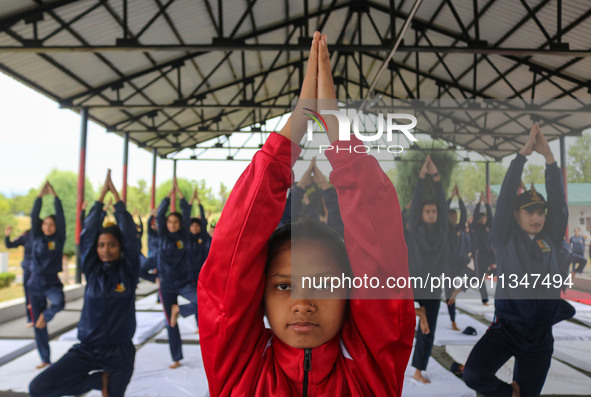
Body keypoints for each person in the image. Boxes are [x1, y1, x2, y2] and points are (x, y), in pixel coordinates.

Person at [198, 31, 414, 396]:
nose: (303, 303)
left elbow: (380, 250)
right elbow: (231, 257)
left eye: (328, 284)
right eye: (283, 286)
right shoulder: (239, 368)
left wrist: (334, 128)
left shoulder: (371, 370)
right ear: (259, 296)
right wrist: (298, 122)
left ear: (354, 294)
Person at [463, 123, 575, 397]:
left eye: (540, 212)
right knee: (475, 374)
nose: (536, 217)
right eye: (529, 212)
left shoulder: (549, 237)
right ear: (516, 215)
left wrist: (549, 158)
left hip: (539, 337)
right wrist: (521, 157)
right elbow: (502, 204)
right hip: (508, 329)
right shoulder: (504, 238)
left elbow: (559, 205)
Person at [29, 170, 139, 397]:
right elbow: (88, 235)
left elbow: (130, 235)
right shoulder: (93, 270)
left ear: (120, 248)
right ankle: (97, 381)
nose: (105, 250)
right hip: (88, 349)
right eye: (101, 245)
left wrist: (117, 200)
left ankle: (107, 381)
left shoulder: (129, 271)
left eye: (111, 245)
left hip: (120, 352)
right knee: (39, 388)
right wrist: (99, 201)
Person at [407, 154, 448, 384]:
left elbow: (442, 204)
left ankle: (418, 370)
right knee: (397, 321)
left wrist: (437, 177)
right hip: (413, 282)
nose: (432, 213)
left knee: (427, 329)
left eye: (434, 211)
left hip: (433, 286)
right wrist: (423, 177)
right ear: (421, 215)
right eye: (428, 211)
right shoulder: (415, 229)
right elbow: (417, 200)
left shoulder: (442, 231)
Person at [156, 180, 199, 369]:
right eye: (170, 221)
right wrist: (167, 196)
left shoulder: (184, 236)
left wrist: (180, 194)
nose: (172, 224)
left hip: (183, 282)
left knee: (203, 302)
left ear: (180, 224)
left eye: (176, 221)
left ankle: (179, 310)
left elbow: (187, 212)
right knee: (169, 323)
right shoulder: (162, 235)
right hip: (166, 284)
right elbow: (159, 214)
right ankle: (176, 358)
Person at [28, 181, 66, 369]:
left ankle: (46, 315)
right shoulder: (36, 236)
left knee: (59, 302)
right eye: (45, 224)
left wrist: (56, 198)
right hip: (34, 284)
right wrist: (39, 197)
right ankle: (45, 358)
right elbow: (34, 216)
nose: (48, 227)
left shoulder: (59, 239)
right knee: (38, 325)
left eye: (51, 224)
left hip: (52, 283)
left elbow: (61, 218)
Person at [445, 184, 470, 331]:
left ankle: (457, 290)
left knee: (475, 276)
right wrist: (450, 198)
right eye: (451, 216)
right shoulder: (445, 229)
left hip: (461, 263)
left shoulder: (460, 227)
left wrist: (459, 197)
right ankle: (453, 320)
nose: (454, 218)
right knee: (449, 295)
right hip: (448, 266)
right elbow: (442, 213)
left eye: (455, 216)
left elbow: (465, 213)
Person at [4, 225, 34, 327]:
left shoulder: (44, 236)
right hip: (28, 270)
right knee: (28, 294)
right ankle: (31, 318)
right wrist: (7, 235)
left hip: (40, 271)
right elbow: (10, 245)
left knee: (39, 294)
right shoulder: (26, 236)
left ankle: (39, 316)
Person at [472, 194, 496, 282]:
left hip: (490, 253)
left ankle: (488, 273)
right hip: (480, 255)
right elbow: (475, 215)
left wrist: (486, 203)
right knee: (479, 278)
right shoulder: (475, 227)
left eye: (484, 218)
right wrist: (479, 204)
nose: (483, 219)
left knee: (502, 264)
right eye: (481, 218)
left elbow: (490, 216)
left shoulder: (489, 226)